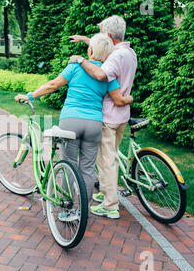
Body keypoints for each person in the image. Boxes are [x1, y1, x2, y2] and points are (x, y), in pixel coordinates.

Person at [14, 33, 133, 208]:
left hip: (71, 121)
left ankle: (67, 206)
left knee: (68, 163)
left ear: (90, 50)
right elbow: (119, 99)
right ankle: (84, 207)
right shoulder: (107, 75)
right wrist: (130, 99)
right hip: (94, 124)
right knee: (87, 168)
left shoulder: (75, 67)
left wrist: (30, 96)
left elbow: (53, 85)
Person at [68, 15, 138, 219]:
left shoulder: (114, 57)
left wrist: (80, 60)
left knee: (106, 161)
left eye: (101, 34)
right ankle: (108, 194)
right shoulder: (129, 52)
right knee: (111, 157)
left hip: (108, 116)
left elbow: (100, 74)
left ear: (108, 35)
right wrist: (85, 39)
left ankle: (110, 205)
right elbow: (101, 48)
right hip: (122, 116)